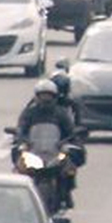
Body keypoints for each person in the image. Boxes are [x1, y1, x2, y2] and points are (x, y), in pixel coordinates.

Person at [15, 80, 80, 209]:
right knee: (19, 167)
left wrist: (67, 142)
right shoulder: (29, 113)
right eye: (42, 96)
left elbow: (70, 131)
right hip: (35, 151)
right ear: (36, 97)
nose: (46, 100)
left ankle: (66, 193)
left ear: (55, 97)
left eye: (49, 96)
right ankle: (22, 197)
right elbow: (21, 128)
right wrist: (23, 140)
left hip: (54, 151)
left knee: (69, 168)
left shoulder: (61, 113)